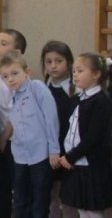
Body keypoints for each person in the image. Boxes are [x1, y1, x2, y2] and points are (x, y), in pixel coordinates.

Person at [0, 52, 60, 218]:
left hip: (40, 155)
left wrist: (54, 150)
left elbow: (51, 120)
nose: (10, 79)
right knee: (20, 200)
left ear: (27, 72)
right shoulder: (11, 96)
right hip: (20, 156)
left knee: (40, 202)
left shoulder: (37, 88)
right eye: (5, 76)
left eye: (14, 73)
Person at [59, 52, 112, 217]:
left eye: (80, 71)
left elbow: (93, 137)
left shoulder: (101, 101)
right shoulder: (77, 99)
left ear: (96, 74)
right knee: (81, 208)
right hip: (77, 163)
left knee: (92, 210)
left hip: (92, 165)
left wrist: (71, 156)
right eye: (74, 71)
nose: (75, 75)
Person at [0, 28, 27, 218]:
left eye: (3, 43)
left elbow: (17, 109)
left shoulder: (16, 79)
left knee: (17, 186)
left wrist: (4, 136)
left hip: (13, 141)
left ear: (17, 52)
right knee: (1, 185)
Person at [41, 41, 78, 218]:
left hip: (70, 150)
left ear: (69, 62)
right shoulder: (42, 89)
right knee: (51, 195)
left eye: (59, 61)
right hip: (49, 150)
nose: (53, 66)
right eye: (49, 62)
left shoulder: (76, 90)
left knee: (71, 197)